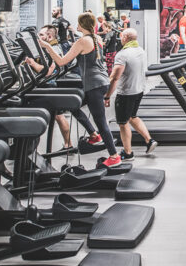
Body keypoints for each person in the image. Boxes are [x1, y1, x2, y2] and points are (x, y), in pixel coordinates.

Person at [40, 12, 122, 167]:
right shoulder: (95, 38)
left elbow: (62, 61)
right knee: (72, 105)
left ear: (83, 25)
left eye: (78, 23)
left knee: (101, 122)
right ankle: (93, 135)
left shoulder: (83, 40)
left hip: (94, 85)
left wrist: (47, 47)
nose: (76, 26)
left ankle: (114, 155)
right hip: (99, 81)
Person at [104, 28, 158, 160]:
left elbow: (114, 77)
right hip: (139, 90)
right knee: (132, 116)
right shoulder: (141, 50)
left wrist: (107, 95)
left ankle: (128, 153)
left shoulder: (123, 54)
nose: (120, 39)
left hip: (126, 93)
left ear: (125, 38)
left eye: (121, 37)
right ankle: (149, 140)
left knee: (122, 123)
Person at [25, 25, 74, 150]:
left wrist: (32, 63)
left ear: (50, 36)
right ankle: (68, 144)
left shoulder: (52, 49)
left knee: (51, 116)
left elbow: (48, 71)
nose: (39, 37)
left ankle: (67, 144)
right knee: (58, 116)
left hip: (48, 84)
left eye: (41, 35)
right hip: (46, 84)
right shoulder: (50, 47)